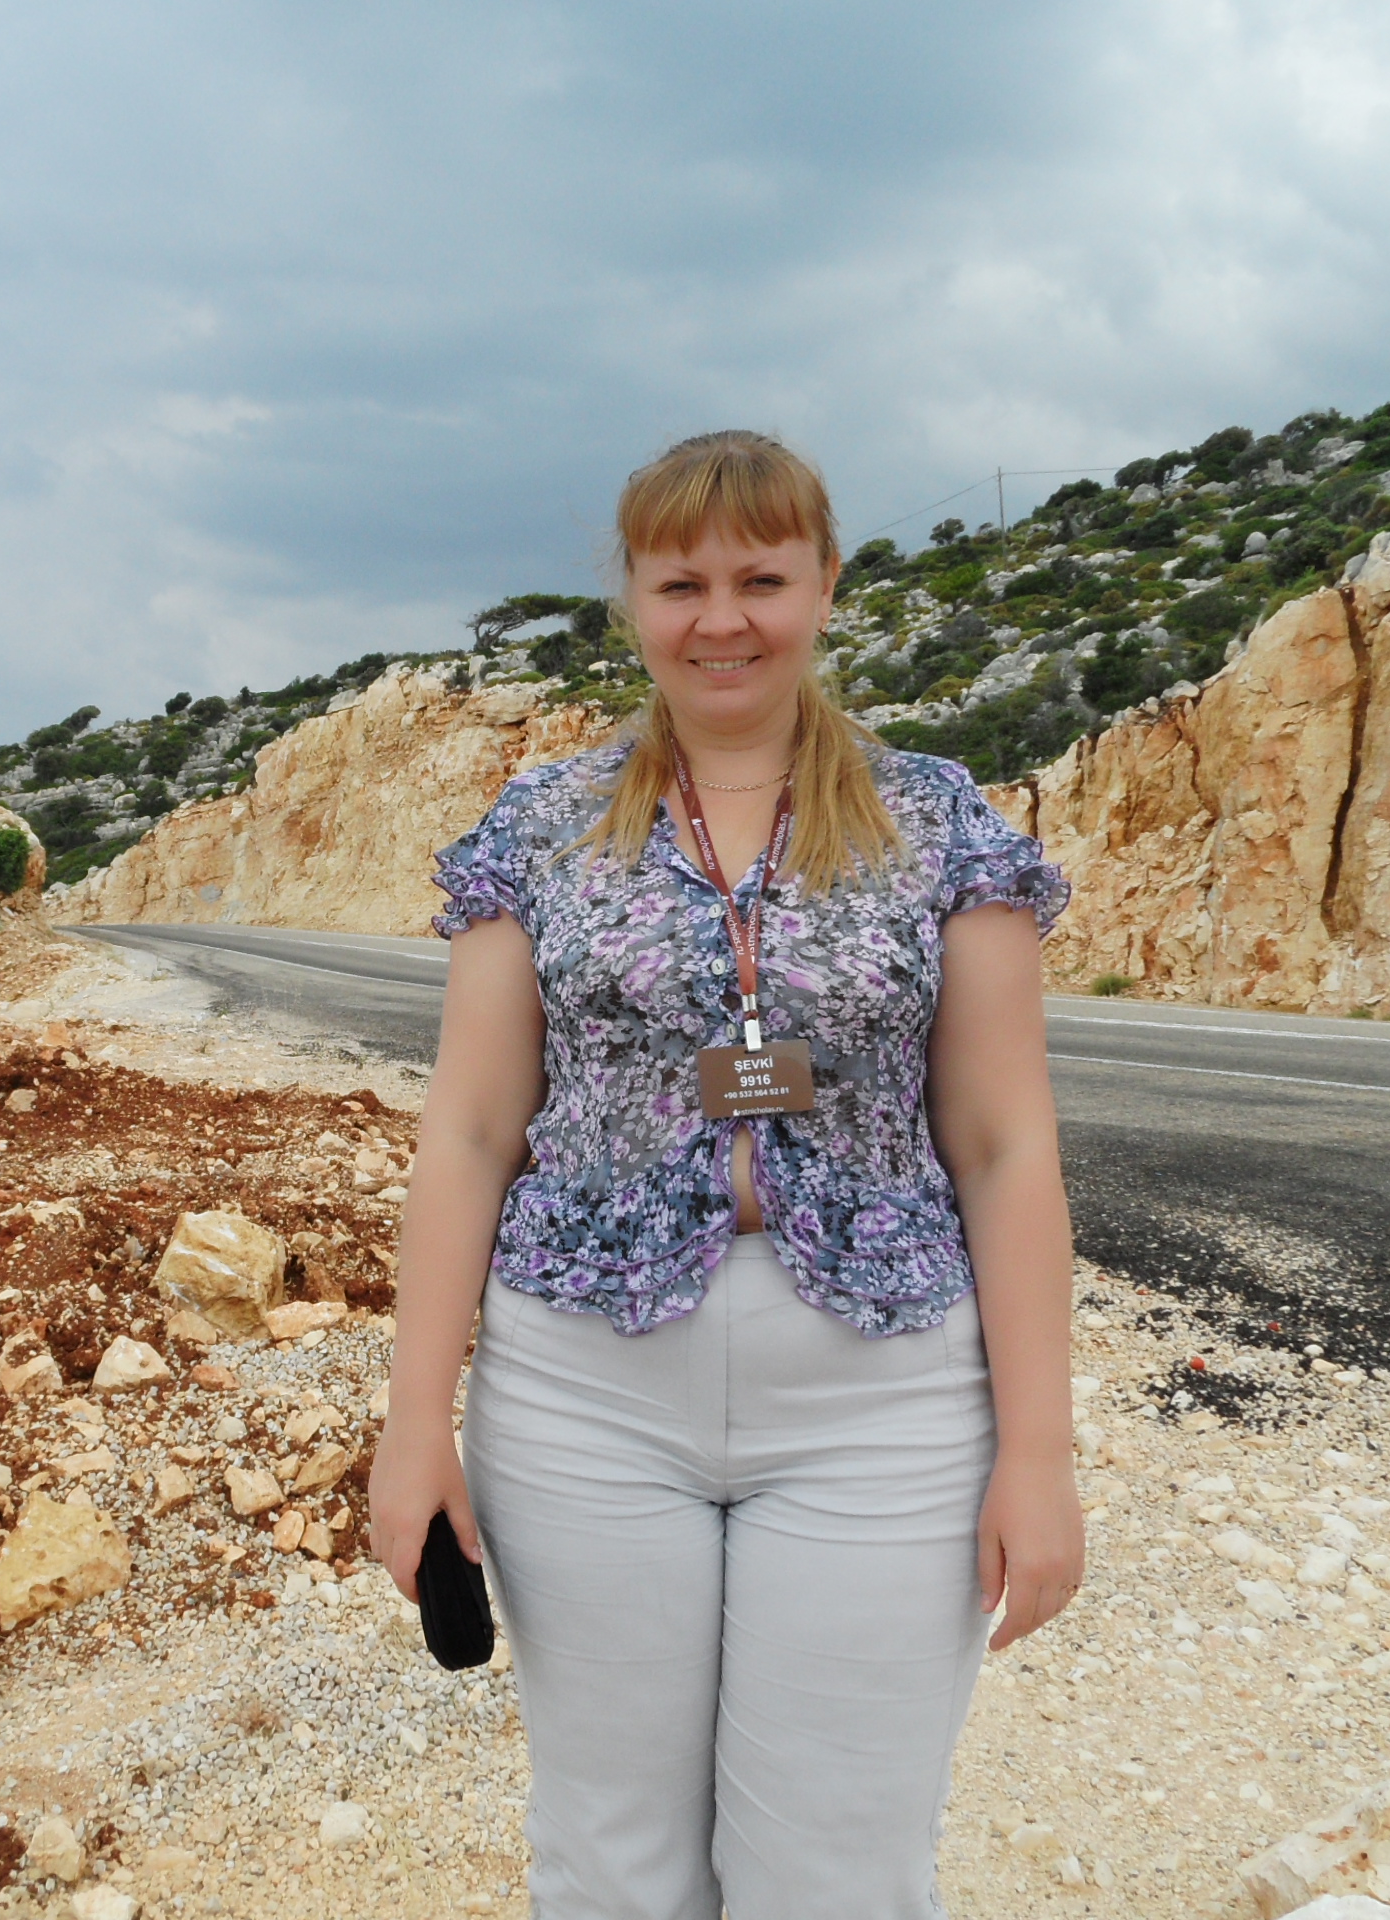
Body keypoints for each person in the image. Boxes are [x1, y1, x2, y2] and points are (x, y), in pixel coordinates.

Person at [369, 429, 1085, 1920]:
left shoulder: (943, 825)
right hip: (581, 1397)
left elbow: (1006, 1146)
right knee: (611, 1864)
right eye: (681, 584)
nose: (723, 620)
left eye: (761, 578)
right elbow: (472, 1133)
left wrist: (1040, 1451)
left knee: (838, 1874)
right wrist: (414, 1423)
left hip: (884, 1399)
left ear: (825, 585)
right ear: (632, 601)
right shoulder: (540, 827)